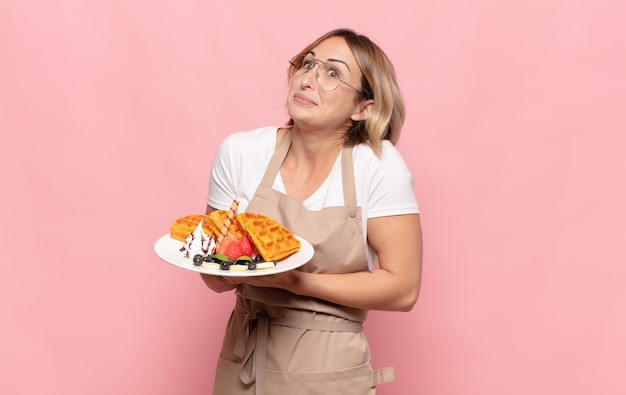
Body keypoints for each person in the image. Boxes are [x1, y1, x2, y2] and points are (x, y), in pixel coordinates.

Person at [200, 28, 423, 395]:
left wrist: (295, 281)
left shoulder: (378, 166)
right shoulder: (240, 153)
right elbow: (212, 277)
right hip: (243, 366)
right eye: (307, 64)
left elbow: (403, 289)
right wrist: (220, 264)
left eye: (332, 73)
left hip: (333, 372)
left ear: (363, 108)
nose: (308, 79)